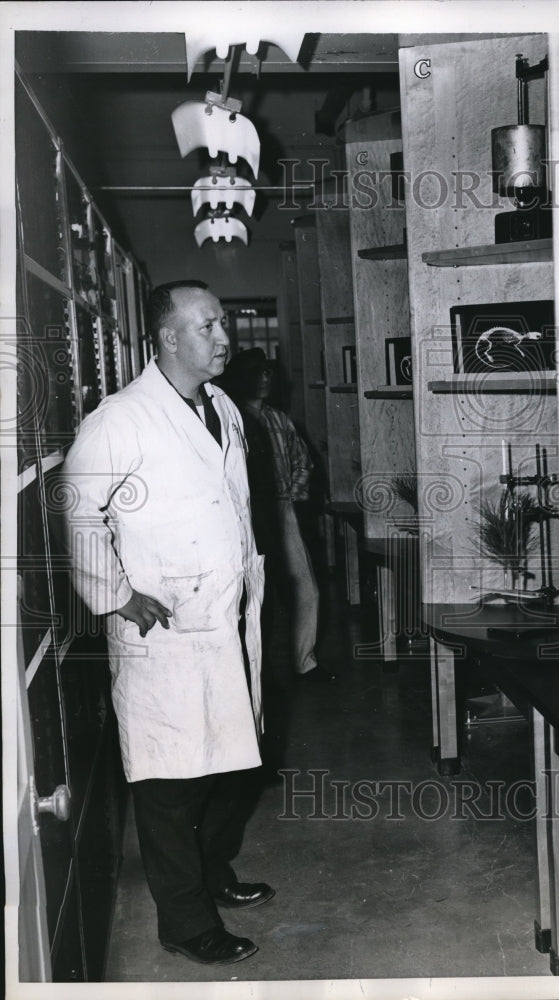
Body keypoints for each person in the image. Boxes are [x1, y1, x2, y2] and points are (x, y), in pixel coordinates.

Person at [62, 280, 272, 967]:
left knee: (232, 768)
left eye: (223, 323)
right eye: (208, 326)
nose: (224, 338)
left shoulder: (224, 408)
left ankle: (211, 874)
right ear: (170, 338)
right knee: (168, 785)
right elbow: (77, 509)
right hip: (166, 630)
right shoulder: (120, 419)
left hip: (228, 620)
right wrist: (114, 593)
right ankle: (185, 921)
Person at [217, 348, 334, 684]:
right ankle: (255, 672)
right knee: (252, 596)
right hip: (243, 515)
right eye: (256, 372)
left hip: (281, 510)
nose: (264, 379)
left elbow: (303, 461)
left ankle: (305, 662)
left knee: (306, 588)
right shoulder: (228, 418)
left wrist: (292, 497)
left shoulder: (279, 419)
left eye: (268, 372)